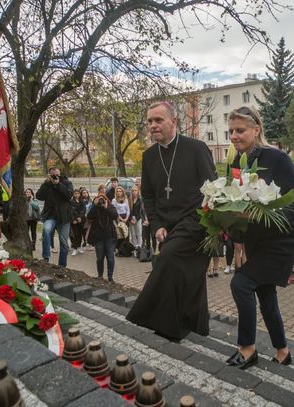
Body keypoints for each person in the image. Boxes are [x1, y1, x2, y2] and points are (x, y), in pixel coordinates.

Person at [126, 101, 217, 341]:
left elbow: (213, 188)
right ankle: (193, 324)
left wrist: (211, 224)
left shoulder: (196, 148)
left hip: (196, 221)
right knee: (187, 275)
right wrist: (156, 225)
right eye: (149, 121)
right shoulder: (149, 156)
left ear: (173, 121)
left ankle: (153, 320)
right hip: (167, 225)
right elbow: (148, 195)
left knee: (166, 259)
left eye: (158, 120)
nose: (153, 125)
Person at [225, 106, 294, 369]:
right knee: (265, 294)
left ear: (256, 130)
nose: (234, 136)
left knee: (241, 284)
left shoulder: (277, 158)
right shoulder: (237, 162)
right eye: (231, 131)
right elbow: (236, 207)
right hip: (258, 242)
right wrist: (233, 230)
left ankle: (247, 348)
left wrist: (256, 215)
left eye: (240, 130)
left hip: (283, 241)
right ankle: (283, 351)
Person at [36, 167, 74, 267]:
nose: (56, 177)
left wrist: (58, 184)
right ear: (49, 175)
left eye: (57, 175)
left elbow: (69, 195)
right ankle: (46, 257)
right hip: (51, 215)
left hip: (64, 217)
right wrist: (46, 183)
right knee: (46, 230)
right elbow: (39, 196)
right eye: (53, 175)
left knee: (64, 243)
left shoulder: (66, 182)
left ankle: (62, 265)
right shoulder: (47, 184)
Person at [87, 194, 118, 281]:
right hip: (98, 237)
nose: (101, 201)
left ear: (106, 200)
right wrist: (94, 205)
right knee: (99, 258)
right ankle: (100, 275)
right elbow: (89, 217)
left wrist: (106, 207)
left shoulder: (110, 206)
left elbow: (115, 216)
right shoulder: (95, 208)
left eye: (103, 199)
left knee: (110, 258)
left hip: (110, 237)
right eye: (99, 199)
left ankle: (110, 277)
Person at [70, 189, 86, 256]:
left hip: (81, 221)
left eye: (78, 193)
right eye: (75, 193)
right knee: (75, 235)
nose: (77, 195)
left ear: (80, 194)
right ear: (73, 194)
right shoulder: (71, 202)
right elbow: (71, 212)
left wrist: (80, 217)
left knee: (80, 234)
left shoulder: (82, 202)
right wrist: (74, 219)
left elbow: (83, 210)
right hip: (74, 221)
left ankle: (79, 247)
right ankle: (74, 248)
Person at [129, 185, 144, 254]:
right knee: (133, 234)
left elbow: (142, 211)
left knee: (139, 233)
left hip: (138, 218)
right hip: (131, 218)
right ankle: (135, 247)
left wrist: (136, 219)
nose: (134, 192)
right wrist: (130, 219)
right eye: (133, 191)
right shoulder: (130, 200)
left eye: (135, 190)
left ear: (138, 191)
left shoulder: (140, 200)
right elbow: (129, 211)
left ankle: (139, 248)